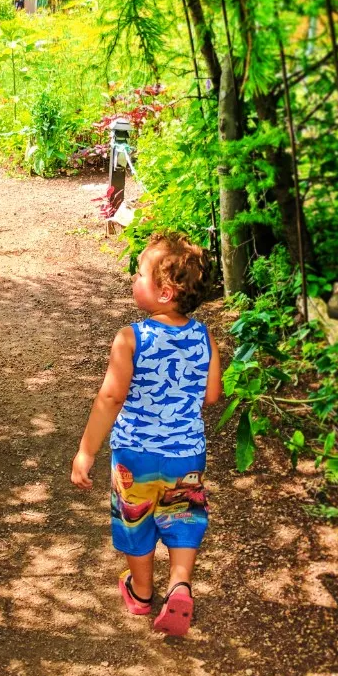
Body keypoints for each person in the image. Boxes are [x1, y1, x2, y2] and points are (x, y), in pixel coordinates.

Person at [70, 232, 222, 636]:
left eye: (139, 274)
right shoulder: (205, 337)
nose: (133, 280)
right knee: (182, 515)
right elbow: (211, 395)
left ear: (166, 292)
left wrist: (86, 451)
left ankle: (141, 593)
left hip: (135, 454)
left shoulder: (130, 338)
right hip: (186, 453)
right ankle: (180, 583)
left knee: (135, 519)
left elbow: (111, 396)